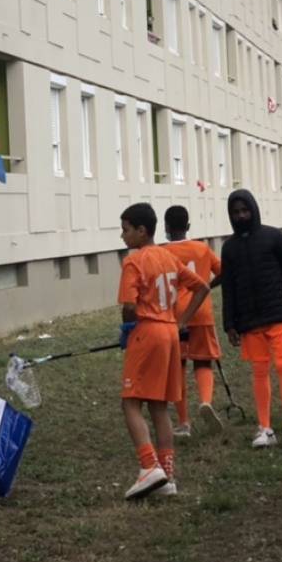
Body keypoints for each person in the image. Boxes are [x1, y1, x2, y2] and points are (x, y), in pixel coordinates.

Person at [118, 203, 210, 499]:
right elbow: (203, 288)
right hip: (170, 333)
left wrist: (127, 328)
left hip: (148, 332)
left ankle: (148, 466)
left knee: (131, 403)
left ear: (141, 230)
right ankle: (168, 477)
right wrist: (181, 321)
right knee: (159, 405)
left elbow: (130, 306)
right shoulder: (169, 258)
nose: (123, 236)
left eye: (126, 229)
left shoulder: (134, 262)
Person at [220, 189, 282, 448]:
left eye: (245, 210)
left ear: (254, 210)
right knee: (259, 371)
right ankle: (264, 427)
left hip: (278, 313)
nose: (241, 216)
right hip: (249, 320)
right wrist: (229, 323)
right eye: (236, 212)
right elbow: (228, 287)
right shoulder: (229, 247)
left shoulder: (273, 237)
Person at [162, 205, 225, 435]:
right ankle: (206, 401)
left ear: (166, 227)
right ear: (188, 226)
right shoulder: (201, 248)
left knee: (177, 366)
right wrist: (208, 287)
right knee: (202, 361)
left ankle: (183, 422)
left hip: (175, 315)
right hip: (201, 312)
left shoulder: (163, 252)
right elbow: (224, 271)